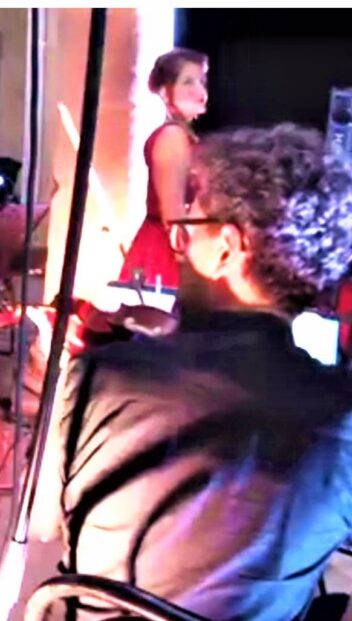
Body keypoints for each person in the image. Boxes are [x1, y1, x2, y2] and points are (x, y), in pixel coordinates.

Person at [34, 124, 352, 621]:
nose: (178, 244)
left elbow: (41, 524)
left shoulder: (99, 374)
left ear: (226, 247)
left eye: (189, 225)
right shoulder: (342, 415)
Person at [118, 48, 208, 289]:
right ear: (165, 92)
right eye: (188, 82)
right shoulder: (172, 137)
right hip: (165, 251)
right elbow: (173, 215)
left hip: (168, 244)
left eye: (202, 81)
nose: (200, 91)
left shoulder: (182, 136)